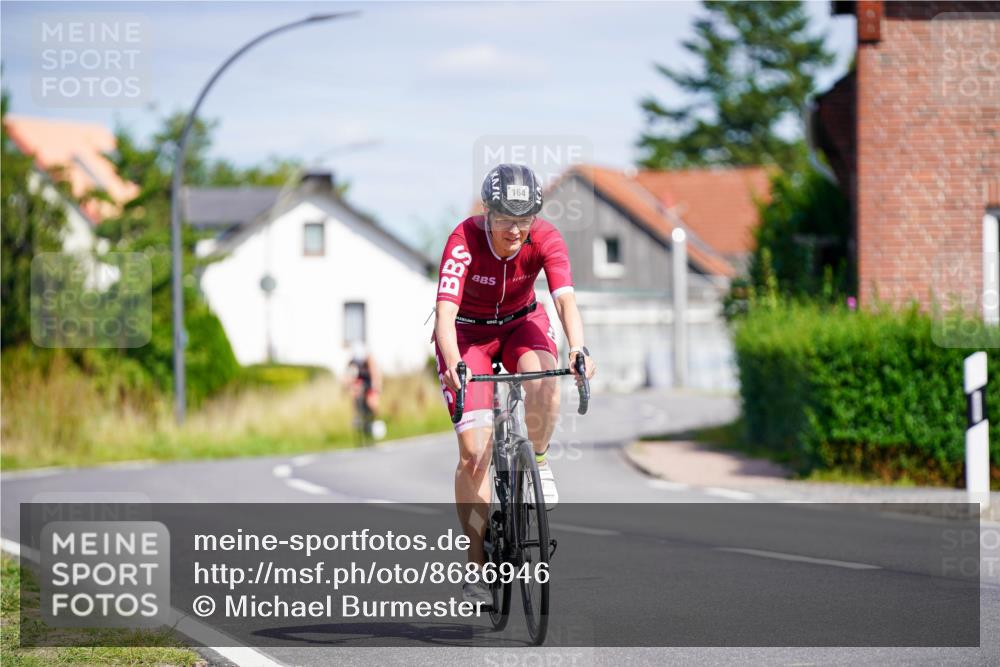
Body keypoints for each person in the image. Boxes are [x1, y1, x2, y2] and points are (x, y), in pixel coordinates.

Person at [433, 163, 596, 608]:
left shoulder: (545, 238)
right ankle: (475, 566)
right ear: (487, 211)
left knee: (545, 377)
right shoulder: (463, 242)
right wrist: (452, 363)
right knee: (473, 455)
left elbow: (565, 300)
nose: (515, 229)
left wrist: (578, 350)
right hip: (467, 333)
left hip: (521, 323)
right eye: (505, 218)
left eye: (524, 220)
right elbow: (445, 314)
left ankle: (538, 463)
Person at [346, 343, 382, 439]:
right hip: (359, 384)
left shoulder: (369, 359)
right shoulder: (352, 361)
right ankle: (357, 417)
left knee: (373, 403)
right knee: (355, 393)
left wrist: (375, 388)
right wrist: (350, 386)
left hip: (369, 383)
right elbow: (349, 377)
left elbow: (375, 375)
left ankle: (373, 420)